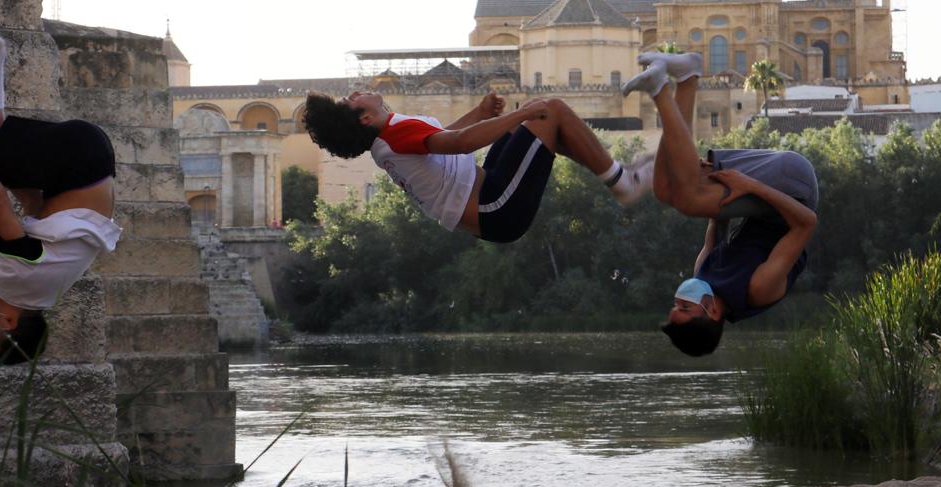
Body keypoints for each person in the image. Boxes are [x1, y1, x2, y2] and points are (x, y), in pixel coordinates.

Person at [0, 24, 122, 364]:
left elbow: (33, 202)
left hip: (91, 157)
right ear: (8, 323)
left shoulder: (45, 291)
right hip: (77, 166)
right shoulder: (16, 284)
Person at [622, 51, 818, 356]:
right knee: (687, 200)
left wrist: (697, 174)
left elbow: (719, 217)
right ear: (712, 312)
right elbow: (806, 223)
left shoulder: (703, 273)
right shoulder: (758, 290)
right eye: (684, 307)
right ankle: (660, 90)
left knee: (664, 190)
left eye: (675, 304)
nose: (679, 298)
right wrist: (750, 185)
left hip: (759, 200)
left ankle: (686, 78)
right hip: (795, 189)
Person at [302, 90, 653, 243]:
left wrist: (482, 114)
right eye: (351, 100)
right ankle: (624, 183)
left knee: (540, 114)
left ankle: (615, 172)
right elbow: (461, 143)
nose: (356, 93)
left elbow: (443, 141)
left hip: (489, 192)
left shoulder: (389, 139)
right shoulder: (392, 134)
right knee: (550, 109)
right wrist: (521, 113)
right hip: (496, 207)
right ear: (364, 118)